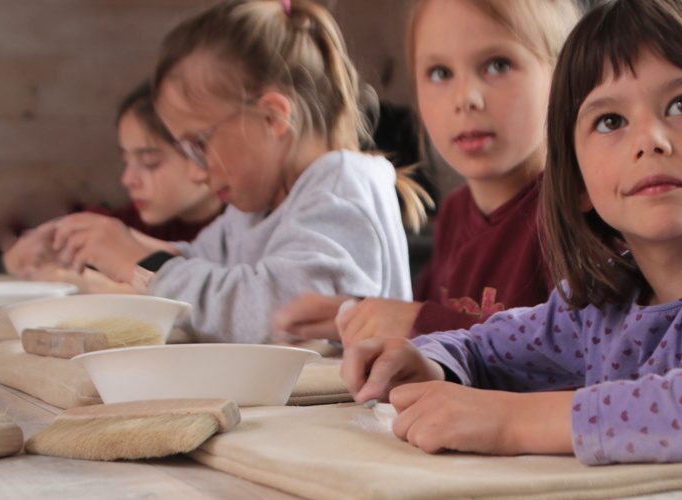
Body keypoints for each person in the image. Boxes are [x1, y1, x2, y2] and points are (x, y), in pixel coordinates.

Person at [341, 0, 682, 464]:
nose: (650, 140)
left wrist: (515, 422)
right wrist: (428, 364)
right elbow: (482, 350)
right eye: (610, 121)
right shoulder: (601, 303)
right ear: (578, 184)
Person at [50, 0, 418, 343]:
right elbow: (196, 264)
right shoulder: (256, 208)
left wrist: (137, 262)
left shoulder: (341, 188)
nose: (196, 174)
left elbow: (279, 314)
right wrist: (103, 240)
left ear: (271, 117)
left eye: (199, 144)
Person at [273, 0, 581, 346]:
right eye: (440, 73)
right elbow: (421, 333)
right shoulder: (454, 213)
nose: (465, 98)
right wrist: (356, 317)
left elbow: (581, 351)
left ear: (564, 75)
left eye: (498, 65)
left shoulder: (578, 212)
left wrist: (420, 322)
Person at [2, 81, 224, 293]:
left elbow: (204, 291)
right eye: (126, 161)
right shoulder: (134, 223)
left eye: (150, 163)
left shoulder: (235, 235)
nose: (127, 179)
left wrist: (91, 284)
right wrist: (39, 243)